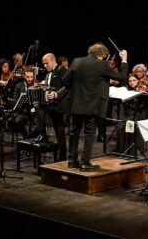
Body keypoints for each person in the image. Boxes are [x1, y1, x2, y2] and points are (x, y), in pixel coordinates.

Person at [56, 42, 129, 171]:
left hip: (77, 103)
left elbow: (66, 80)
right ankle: (85, 162)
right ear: (101, 55)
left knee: (74, 131)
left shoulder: (77, 61)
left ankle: (72, 160)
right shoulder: (101, 64)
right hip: (93, 105)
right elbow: (122, 77)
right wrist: (124, 60)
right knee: (89, 132)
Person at [36, 53, 68, 160]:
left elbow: (67, 87)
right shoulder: (48, 74)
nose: (45, 66)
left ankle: (62, 155)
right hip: (51, 104)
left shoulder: (61, 70)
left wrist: (57, 94)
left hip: (59, 105)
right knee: (37, 108)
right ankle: (42, 133)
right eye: (43, 64)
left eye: (46, 63)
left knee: (59, 131)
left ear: (52, 60)